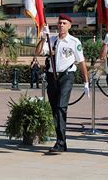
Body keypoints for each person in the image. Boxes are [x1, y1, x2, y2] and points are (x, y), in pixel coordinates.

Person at [35, 14, 89, 153]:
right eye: (59, 23)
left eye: (64, 23)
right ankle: (62, 141)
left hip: (66, 76)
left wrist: (86, 82)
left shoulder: (74, 41)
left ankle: (59, 142)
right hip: (52, 76)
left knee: (61, 107)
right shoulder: (51, 39)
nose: (61, 25)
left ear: (70, 25)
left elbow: (81, 62)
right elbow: (38, 52)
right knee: (54, 109)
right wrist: (42, 39)